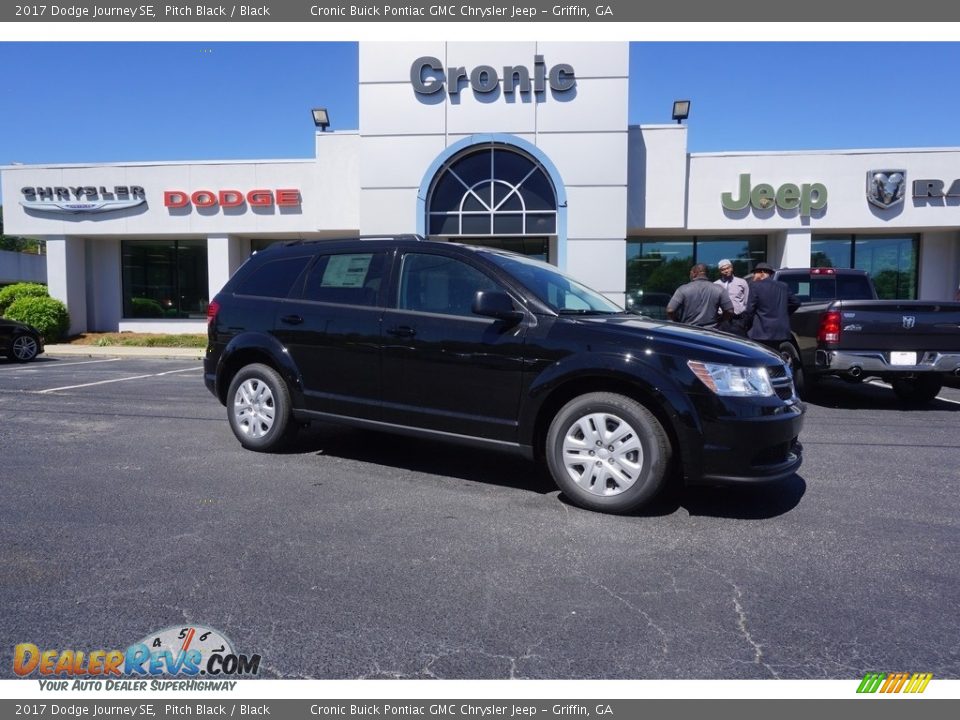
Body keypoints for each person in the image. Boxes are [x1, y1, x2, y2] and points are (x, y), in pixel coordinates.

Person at [744, 262, 801, 353]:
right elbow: (796, 302)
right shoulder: (783, 286)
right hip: (780, 331)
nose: (753, 276)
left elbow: (750, 309)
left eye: (755, 273)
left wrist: (745, 325)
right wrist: (784, 313)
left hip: (761, 332)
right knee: (776, 355)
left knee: (761, 357)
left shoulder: (755, 286)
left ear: (762, 273)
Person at [666, 263, 733, 330]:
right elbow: (729, 311)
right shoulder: (719, 289)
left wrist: (678, 322)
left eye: (690, 273)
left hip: (688, 330)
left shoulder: (683, 289)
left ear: (694, 273)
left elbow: (670, 310)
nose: (690, 275)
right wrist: (719, 321)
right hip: (711, 332)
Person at [714, 258, 749, 335]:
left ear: (732, 268)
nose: (726, 271)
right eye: (723, 269)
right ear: (720, 271)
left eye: (728, 268)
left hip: (738, 320)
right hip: (722, 320)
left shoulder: (742, 282)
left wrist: (744, 320)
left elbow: (747, 302)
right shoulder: (715, 285)